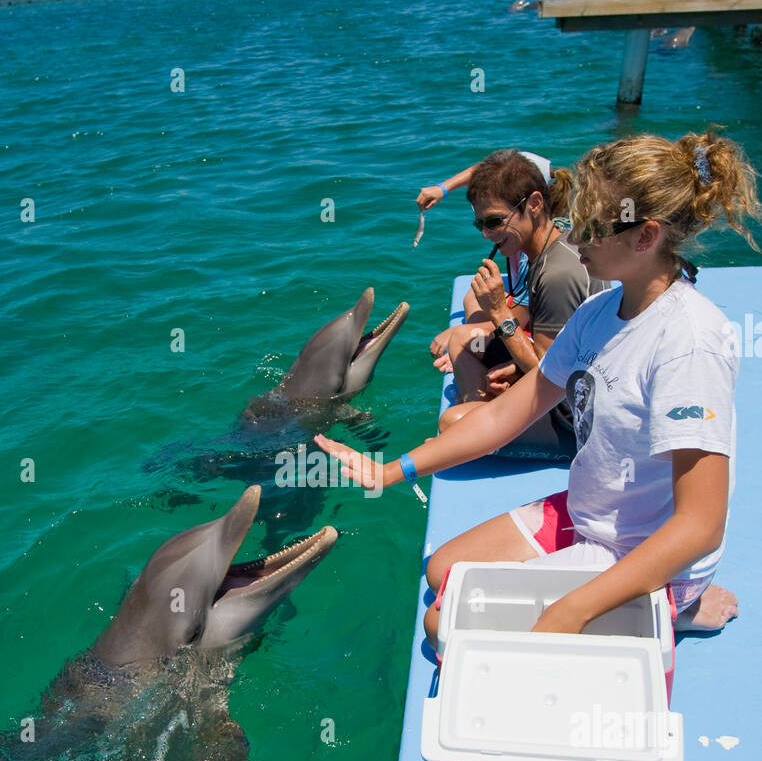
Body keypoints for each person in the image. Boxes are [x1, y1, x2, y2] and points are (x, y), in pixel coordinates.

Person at [316, 130, 759, 635]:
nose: (574, 237)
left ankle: (676, 608)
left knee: (445, 624)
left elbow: (699, 526)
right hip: (595, 513)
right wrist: (393, 472)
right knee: (443, 571)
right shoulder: (598, 312)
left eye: (591, 226)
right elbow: (509, 414)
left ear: (645, 236)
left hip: (646, 550)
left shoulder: (688, 344)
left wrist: (570, 610)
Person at [418, 150, 604, 438]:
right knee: (464, 342)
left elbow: (547, 376)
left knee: (452, 424)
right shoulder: (555, 245)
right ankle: (483, 413)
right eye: (479, 224)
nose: (485, 234)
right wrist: (515, 370)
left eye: (493, 222)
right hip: (566, 378)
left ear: (534, 203)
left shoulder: (557, 276)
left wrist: (499, 313)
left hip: (574, 419)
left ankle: (477, 429)